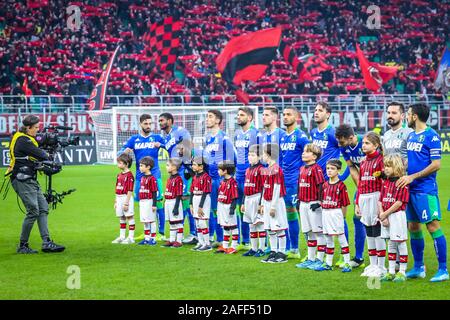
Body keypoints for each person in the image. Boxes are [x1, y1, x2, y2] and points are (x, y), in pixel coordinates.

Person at [397, 103, 448, 282]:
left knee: (432, 226)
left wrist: (413, 177)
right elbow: (407, 161)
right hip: (410, 189)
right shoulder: (411, 136)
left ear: (415, 116)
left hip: (426, 190)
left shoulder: (431, 136)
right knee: (413, 226)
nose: (407, 117)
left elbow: (436, 164)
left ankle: (443, 269)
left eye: (408, 114)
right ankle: (418, 267)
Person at [8, 115, 65, 254]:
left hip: (29, 178)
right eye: (36, 128)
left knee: (43, 208)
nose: (37, 131)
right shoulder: (23, 140)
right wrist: (51, 155)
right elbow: (42, 155)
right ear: (28, 128)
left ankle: (46, 242)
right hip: (22, 179)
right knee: (33, 210)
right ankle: (22, 245)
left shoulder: (24, 138)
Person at [120, 114, 166, 240]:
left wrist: (161, 145)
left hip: (155, 176)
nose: (148, 126)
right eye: (146, 124)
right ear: (140, 124)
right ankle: (147, 232)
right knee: (143, 203)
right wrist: (125, 152)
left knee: (159, 203)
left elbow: (169, 147)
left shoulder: (157, 138)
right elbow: (121, 153)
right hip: (140, 178)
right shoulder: (134, 139)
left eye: (150, 124)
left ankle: (160, 233)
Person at [159, 113, 197, 245]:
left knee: (185, 201)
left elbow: (188, 144)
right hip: (176, 173)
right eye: (159, 121)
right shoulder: (167, 137)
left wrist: (185, 150)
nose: (160, 123)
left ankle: (194, 233)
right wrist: (161, 145)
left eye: (162, 120)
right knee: (179, 201)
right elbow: (172, 150)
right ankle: (177, 234)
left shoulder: (180, 131)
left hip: (185, 171)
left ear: (170, 121)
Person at [335, 124, 367, 269]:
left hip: (380, 186)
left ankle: (395, 260)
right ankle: (359, 257)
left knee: (381, 222)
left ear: (351, 137)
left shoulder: (366, 142)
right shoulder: (344, 147)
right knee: (357, 218)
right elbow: (352, 169)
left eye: (342, 142)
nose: (339, 145)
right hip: (364, 186)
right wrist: (361, 189)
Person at [280, 106, 310, 259]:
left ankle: (308, 252)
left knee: (302, 215)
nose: (285, 117)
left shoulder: (301, 136)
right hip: (284, 181)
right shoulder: (283, 136)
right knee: (287, 214)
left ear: (296, 117)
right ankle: (291, 248)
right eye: (284, 114)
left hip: (297, 182)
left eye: (288, 115)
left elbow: (310, 156)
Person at [203, 109, 236, 248]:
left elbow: (232, 158)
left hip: (221, 180)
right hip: (211, 179)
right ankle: (218, 238)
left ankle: (233, 239)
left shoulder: (224, 138)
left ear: (217, 120)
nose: (207, 119)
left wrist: (228, 179)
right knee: (214, 209)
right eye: (207, 116)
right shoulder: (207, 139)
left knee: (227, 209)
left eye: (210, 117)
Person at [356, 132, 385, 278]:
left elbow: (384, 183)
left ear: (376, 145)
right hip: (363, 198)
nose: (364, 145)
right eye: (363, 143)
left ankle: (381, 266)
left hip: (376, 197)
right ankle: (372, 264)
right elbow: (360, 183)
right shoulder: (362, 162)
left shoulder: (381, 160)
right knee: (369, 231)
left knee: (377, 230)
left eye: (367, 143)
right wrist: (357, 203)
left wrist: (382, 203)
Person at [316, 159, 352, 272]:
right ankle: (328, 263)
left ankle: (347, 263)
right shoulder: (325, 185)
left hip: (336, 213)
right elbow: (322, 200)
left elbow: (345, 204)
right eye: (328, 168)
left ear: (338, 170)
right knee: (328, 238)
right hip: (326, 213)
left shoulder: (341, 186)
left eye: (332, 169)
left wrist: (343, 217)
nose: (329, 171)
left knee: (341, 237)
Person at [379, 154, 409, 283]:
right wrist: (382, 215)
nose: (385, 168)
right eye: (385, 166)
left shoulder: (402, 182)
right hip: (385, 215)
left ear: (396, 167)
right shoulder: (385, 182)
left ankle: (402, 271)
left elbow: (399, 202)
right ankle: (391, 271)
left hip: (397, 216)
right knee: (390, 243)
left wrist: (385, 214)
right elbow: (380, 200)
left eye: (388, 166)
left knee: (400, 243)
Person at [295, 144, 326, 270]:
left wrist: (319, 202)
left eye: (306, 152)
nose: (303, 153)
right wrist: (298, 199)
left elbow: (321, 186)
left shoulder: (316, 169)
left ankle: (320, 259)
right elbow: (299, 185)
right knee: (309, 232)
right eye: (303, 151)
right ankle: (311, 258)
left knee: (318, 232)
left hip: (313, 203)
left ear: (314, 156)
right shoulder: (302, 168)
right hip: (303, 203)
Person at [234, 107, 259, 250]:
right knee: (241, 208)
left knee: (255, 211)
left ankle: (261, 243)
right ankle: (245, 241)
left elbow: (260, 155)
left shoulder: (256, 134)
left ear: (249, 118)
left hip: (252, 176)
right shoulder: (237, 134)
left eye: (242, 115)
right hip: (239, 175)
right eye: (238, 115)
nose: (238, 117)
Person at [260, 143, 289, 264]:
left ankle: (281, 253)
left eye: (263, 154)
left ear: (268, 155)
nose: (262, 156)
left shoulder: (276, 169)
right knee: (270, 228)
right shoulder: (267, 169)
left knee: (279, 227)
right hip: (266, 201)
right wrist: (262, 203)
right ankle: (273, 251)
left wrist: (273, 206)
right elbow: (265, 187)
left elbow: (277, 188)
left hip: (275, 202)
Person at [241, 144, 266, 257]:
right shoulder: (247, 170)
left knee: (259, 224)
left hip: (257, 197)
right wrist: (242, 202)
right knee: (251, 225)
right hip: (248, 198)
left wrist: (261, 203)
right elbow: (245, 187)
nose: (250, 157)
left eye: (253, 155)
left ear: (259, 157)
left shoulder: (261, 169)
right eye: (249, 155)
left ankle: (262, 248)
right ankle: (253, 248)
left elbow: (264, 187)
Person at [215, 160, 239, 254]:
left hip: (228, 206)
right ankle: (225, 246)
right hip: (221, 206)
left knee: (233, 226)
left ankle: (233, 246)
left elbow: (234, 197)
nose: (218, 171)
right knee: (225, 226)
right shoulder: (222, 181)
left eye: (219, 169)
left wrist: (232, 209)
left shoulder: (232, 182)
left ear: (225, 171)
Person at [190, 156, 213, 252]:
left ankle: (207, 244)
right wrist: (191, 204)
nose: (192, 166)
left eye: (194, 165)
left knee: (202, 222)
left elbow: (206, 192)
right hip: (195, 198)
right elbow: (191, 191)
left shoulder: (206, 177)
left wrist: (200, 206)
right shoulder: (194, 176)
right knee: (197, 223)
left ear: (201, 166)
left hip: (203, 200)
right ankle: (201, 242)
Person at [112, 153, 135, 244]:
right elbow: (116, 188)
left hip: (126, 198)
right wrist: (116, 201)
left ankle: (131, 237)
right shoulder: (119, 175)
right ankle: (122, 237)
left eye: (120, 163)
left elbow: (130, 190)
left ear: (126, 164)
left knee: (129, 216)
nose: (118, 165)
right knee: (121, 217)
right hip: (119, 198)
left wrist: (126, 202)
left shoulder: (129, 175)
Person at [162, 158, 184, 248]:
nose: (166, 167)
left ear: (174, 167)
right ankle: (172, 240)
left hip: (175, 202)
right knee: (171, 222)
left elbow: (179, 194)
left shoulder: (178, 179)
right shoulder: (170, 177)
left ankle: (179, 241)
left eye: (168, 165)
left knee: (177, 222)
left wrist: (176, 207)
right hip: (168, 202)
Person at [137, 156, 158, 246]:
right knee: (145, 220)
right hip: (143, 201)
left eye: (142, 165)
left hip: (149, 201)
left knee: (151, 220)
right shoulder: (142, 178)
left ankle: (153, 238)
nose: (140, 167)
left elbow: (154, 192)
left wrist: (154, 204)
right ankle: (146, 238)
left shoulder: (152, 178)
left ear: (148, 167)